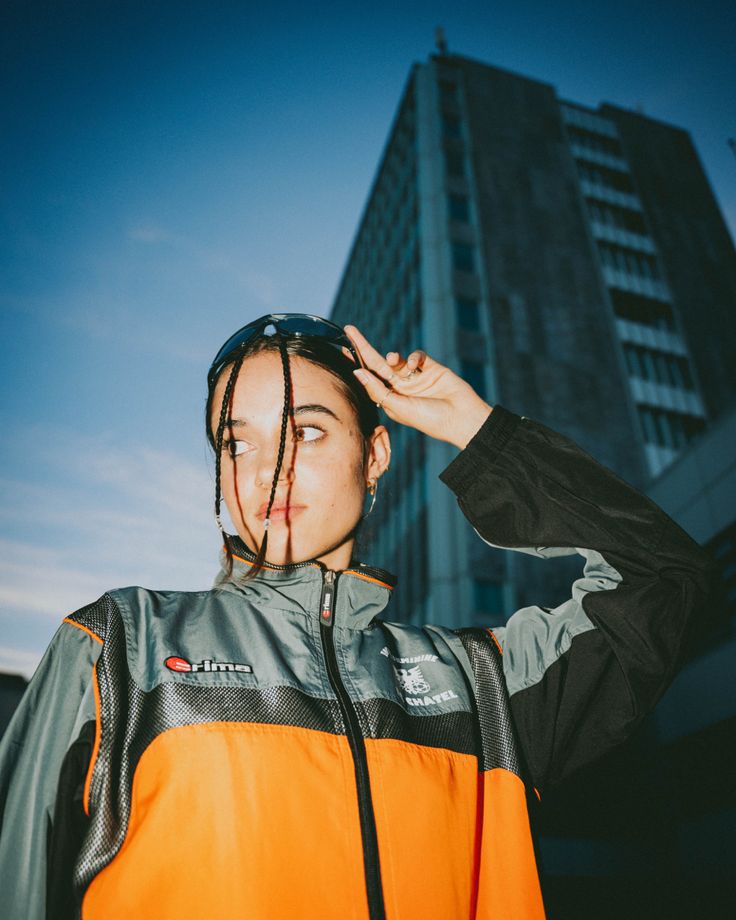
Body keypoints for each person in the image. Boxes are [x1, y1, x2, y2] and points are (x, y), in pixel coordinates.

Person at [0, 313, 713, 920]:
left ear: (374, 456)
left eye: (305, 432)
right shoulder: (118, 646)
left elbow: (663, 576)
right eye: (236, 441)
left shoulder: (482, 684)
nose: (265, 470)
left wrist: (475, 428)